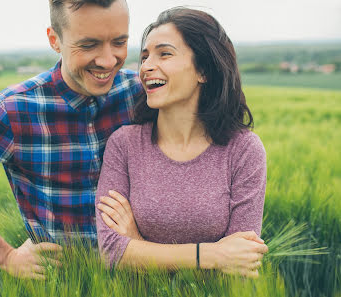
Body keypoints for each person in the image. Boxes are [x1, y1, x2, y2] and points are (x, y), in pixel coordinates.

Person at [0, 0, 143, 279]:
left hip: (140, 276)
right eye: (88, 45)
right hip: (60, 282)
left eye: (119, 42)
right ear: (55, 40)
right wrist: (6, 257)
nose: (108, 60)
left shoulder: (139, 93)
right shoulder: (12, 110)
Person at [95, 7, 268, 278]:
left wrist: (138, 244)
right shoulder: (125, 145)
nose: (146, 66)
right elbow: (111, 251)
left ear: (204, 70)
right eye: (144, 56)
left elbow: (240, 261)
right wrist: (211, 255)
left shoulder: (243, 150)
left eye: (164, 53)